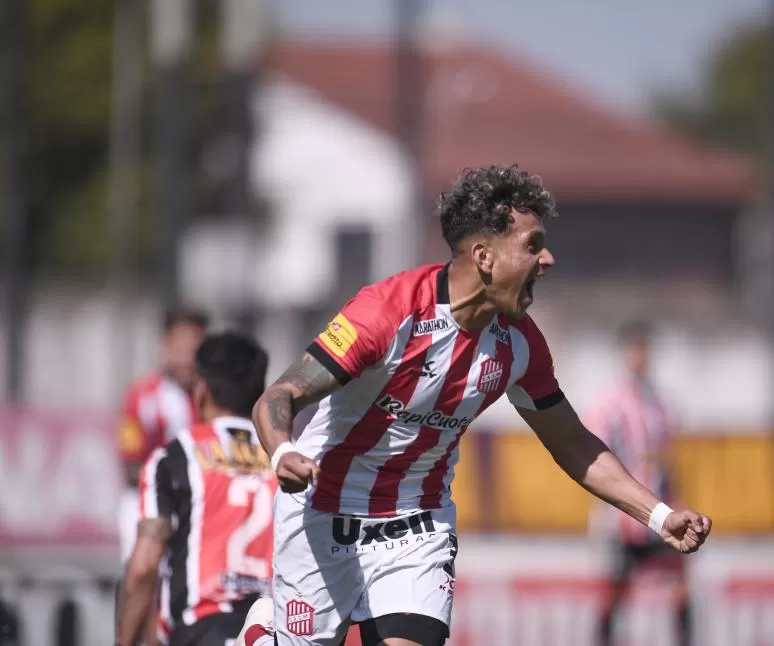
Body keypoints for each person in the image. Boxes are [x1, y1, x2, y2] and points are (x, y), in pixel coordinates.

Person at [245, 164, 713, 646]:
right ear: (484, 256)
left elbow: (573, 443)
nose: (547, 259)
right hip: (322, 512)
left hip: (417, 525)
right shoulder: (387, 311)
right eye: (532, 245)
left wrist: (658, 516)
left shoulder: (520, 345)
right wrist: (281, 453)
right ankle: (262, 634)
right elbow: (280, 395)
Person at [117, 332, 274, 646]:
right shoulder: (286, 458)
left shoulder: (174, 458)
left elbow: (144, 566)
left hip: (201, 628)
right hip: (271, 630)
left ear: (201, 391)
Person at [585, 320, 691, 646]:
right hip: (623, 516)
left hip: (658, 513)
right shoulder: (608, 404)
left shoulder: (662, 404)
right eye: (636, 349)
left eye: (646, 349)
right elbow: (595, 458)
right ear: (625, 353)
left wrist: (677, 501)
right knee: (616, 590)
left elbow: (667, 461)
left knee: (681, 583)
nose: (641, 356)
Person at [117, 306, 209, 564]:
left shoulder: (212, 398)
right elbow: (131, 466)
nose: (188, 359)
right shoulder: (142, 397)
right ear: (165, 346)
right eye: (182, 348)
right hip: (149, 505)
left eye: (196, 349)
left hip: (199, 506)